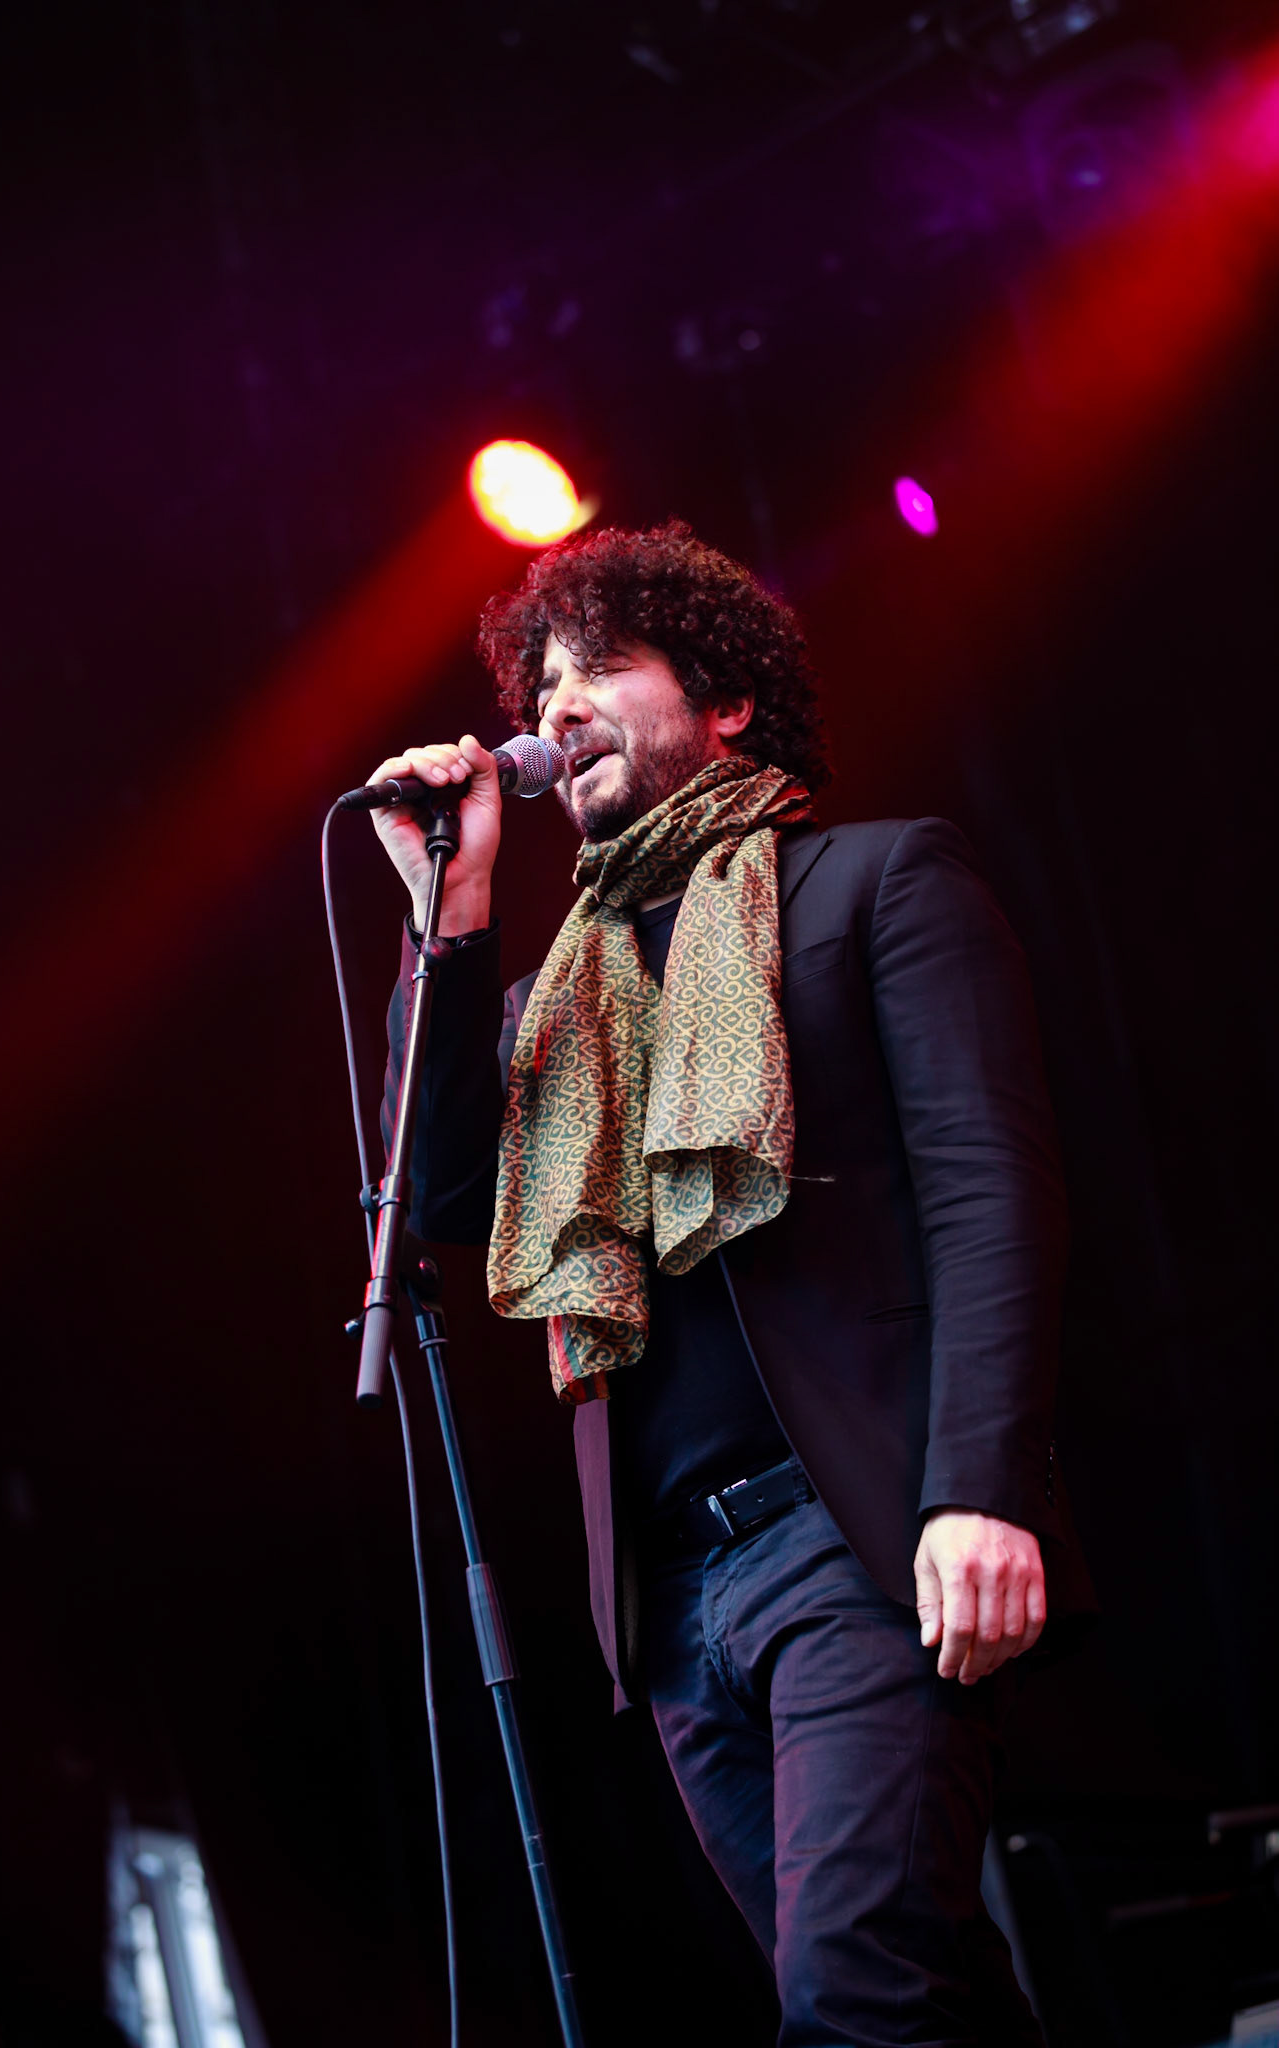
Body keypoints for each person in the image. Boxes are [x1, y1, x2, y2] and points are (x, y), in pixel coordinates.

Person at [370, 520, 1092, 2047]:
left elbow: (988, 1193)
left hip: (854, 1533)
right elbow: (437, 1198)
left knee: (852, 1989)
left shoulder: (874, 884)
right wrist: (450, 914)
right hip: (676, 1597)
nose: (559, 704)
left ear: (726, 703)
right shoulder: (548, 995)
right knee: (921, 1999)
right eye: (542, 679)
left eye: (603, 667)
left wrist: (983, 1486)